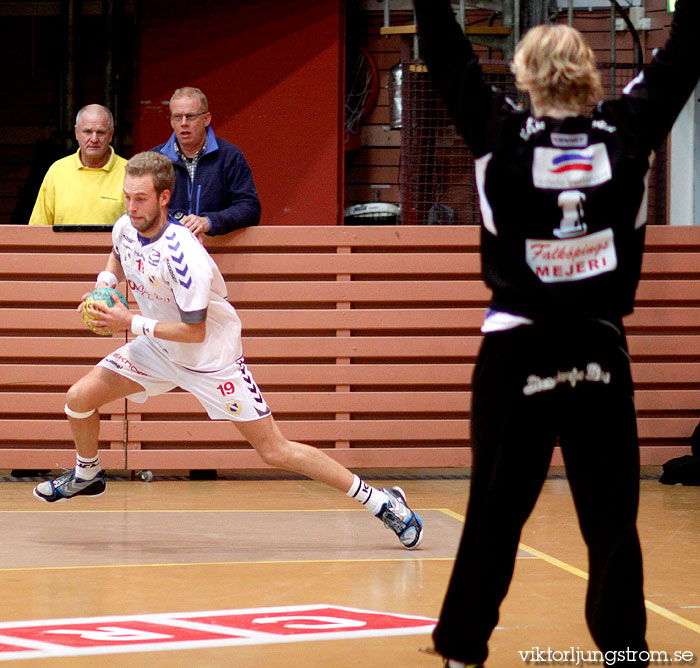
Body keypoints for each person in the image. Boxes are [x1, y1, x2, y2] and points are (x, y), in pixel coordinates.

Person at [413, 0, 699, 666]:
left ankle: (461, 651)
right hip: (598, 348)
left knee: (493, 514)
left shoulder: (499, 132)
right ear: (590, 75)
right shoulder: (628, 129)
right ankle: (625, 654)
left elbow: (448, 55)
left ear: (527, 76)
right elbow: (687, 50)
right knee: (611, 525)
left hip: (516, 349)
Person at [32, 151, 423, 551]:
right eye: (127, 197)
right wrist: (104, 284)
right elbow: (118, 253)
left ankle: (381, 501)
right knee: (79, 399)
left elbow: (194, 331)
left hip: (210, 360)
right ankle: (88, 472)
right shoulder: (125, 227)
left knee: (274, 450)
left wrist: (127, 322)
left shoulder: (186, 258)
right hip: (157, 347)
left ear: (164, 197)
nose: (131, 207)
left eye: (141, 199)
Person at [151, 87, 261, 237]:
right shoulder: (155, 159)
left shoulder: (229, 156)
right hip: (166, 250)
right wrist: (175, 218)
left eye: (190, 117)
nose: (183, 123)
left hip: (218, 249)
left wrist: (209, 222)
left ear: (206, 119)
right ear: (171, 121)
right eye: (177, 117)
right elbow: (143, 206)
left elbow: (249, 208)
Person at [28, 105, 127, 227]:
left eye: (100, 132)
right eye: (87, 132)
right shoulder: (57, 171)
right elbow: (38, 228)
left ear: (111, 135)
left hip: (115, 247)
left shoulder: (130, 172)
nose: (94, 139)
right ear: (76, 133)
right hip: (65, 247)